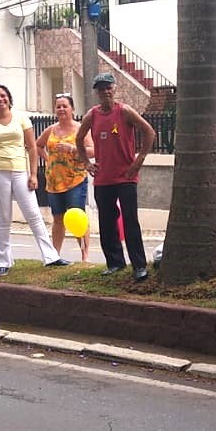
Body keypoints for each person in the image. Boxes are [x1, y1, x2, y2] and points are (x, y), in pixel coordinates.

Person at [0, 83, 69, 276]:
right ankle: (4, 261)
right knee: (3, 218)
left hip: (20, 171)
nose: (0, 100)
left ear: (9, 98)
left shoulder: (21, 118)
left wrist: (33, 174)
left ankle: (51, 257)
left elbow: (32, 147)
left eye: (3, 96)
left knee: (33, 214)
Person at [75, 73, 157, 280]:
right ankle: (114, 262)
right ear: (96, 92)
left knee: (130, 221)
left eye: (108, 87)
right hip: (103, 178)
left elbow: (149, 132)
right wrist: (86, 163)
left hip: (126, 176)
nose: (105, 91)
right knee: (107, 222)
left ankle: (139, 265)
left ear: (114, 89)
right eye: (100, 88)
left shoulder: (125, 112)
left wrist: (138, 161)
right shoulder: (92, 115)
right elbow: (78, 139)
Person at [37, 93, 93, 262]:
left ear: (72, 109)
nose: (61, 109)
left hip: (75, 179)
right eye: (58, 106)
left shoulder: (80, 129)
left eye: (65, 106)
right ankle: (55, 255)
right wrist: (48, 161)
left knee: (77, 215)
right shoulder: (51, 130)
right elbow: (38, 145)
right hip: (54, 181)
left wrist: (72, 149)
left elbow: (92, 150)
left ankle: (85, 255)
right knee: (58, 219)